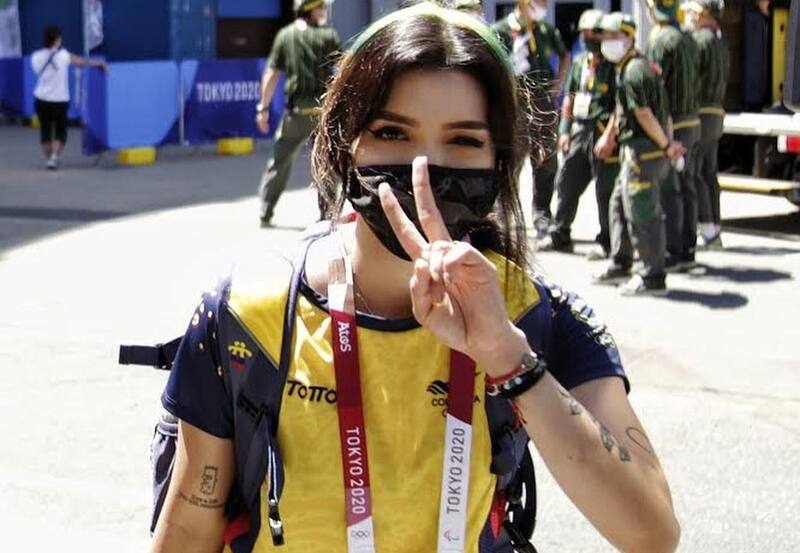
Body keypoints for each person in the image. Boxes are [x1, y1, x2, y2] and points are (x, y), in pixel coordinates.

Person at [152, 4, 680, 553]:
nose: (424, 170)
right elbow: (188, 530)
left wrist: (507, 357)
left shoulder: (533, 314)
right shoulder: (247, 313)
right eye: (392, 132)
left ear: (500, 161)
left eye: (464, 140)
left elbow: (652, 532)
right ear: (344, 143)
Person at [592, 13, 685, 296]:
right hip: (640, 150)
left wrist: (666, 145)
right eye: (605, 37)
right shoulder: (636, 66)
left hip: (643, 152)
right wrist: (611, 136)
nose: (607, 42)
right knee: (619, 203)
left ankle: (652, 276)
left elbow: (644, 113)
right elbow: (636, 109)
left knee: (643, 213)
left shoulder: (633, 71)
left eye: (613, 37)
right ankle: (621, 261)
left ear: (629, 38)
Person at [537, 8, 619, 259]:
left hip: (602, 130)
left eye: (592, 33)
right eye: (584, 33)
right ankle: (560, 234)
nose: (587, 37)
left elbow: (620, 104)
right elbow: (569, 98)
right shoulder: (580, 61)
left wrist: (610, 136)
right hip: (579, 131)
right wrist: (564, 130)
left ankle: (606, 241)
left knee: (605, 190)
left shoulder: (613, 65)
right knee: (567, 182)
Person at [255, 0, 341, 227]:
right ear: (309, 10)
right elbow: (342, 69)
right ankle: (328, 214)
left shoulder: (286, 36)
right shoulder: (329, 36)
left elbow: (271, 74)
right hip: (323, 112)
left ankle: (266, 209)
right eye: (320, 7)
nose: (323, 11)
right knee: (326, 163)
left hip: (296, 114)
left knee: (279, 161)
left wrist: (263, 108)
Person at [492, 0, 569, 238]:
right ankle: (502, 214)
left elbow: (564, 56)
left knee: (546, 160)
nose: (543, 6)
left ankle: (542, 214)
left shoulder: (544, 30)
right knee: (511, 159)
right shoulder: (501, 29)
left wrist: (557, 86)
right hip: (516, 104)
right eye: (539, 1)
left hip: (543, 102)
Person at [645, 0, 702, 271]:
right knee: (687, 185)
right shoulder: (689, 38)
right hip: (692, 118)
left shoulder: (661, 40)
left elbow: (656, 87)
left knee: (670, 188)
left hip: (674, 122)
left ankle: (673, 250)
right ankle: (688, 248)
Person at [684, 0, 729, 249]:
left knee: (698, 172)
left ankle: (708, 230)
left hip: (700, 112)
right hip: (716, 113)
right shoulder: (721, 43)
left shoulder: (699, 41)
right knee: (710, 173)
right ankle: (715, 229)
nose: (691, 16)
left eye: (694, 11)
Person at [30, 25, 106, 170]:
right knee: (60, 130)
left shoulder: (36, 56)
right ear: (57, 40)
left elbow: (36, 71)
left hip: (41, 98)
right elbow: (82, 62)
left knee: (45, 130)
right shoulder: (64, 55)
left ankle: (49, 159)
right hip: (60, 100)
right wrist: (99, 63)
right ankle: (54, 157)